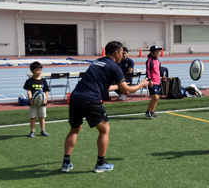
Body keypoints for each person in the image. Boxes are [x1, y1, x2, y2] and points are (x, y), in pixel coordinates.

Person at [61, 41, 148, 173]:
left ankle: (66, 163)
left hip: (75, 97)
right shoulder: (115, 67)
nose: (122, 56)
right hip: (90, 99)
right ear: (116, 53)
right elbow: (127, 91)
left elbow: (104, 86)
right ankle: (100, 164)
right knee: (104, 129)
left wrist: (120, 86)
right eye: (121, 53)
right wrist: (142, 84)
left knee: (74, 130)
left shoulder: (96, 62)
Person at [23, 61, 49, 138]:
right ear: (32, 71)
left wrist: (46, 99)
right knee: (33, 117)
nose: (39, 72)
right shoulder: (29, 81)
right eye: (37, 70)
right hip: (33, 103)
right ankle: (32, 131)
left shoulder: (43, 81)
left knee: (42, 117)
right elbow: (29, 91)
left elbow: (46, 91)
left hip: (42, 103)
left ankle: (43, 130)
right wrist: (31, 100)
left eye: (40, 70)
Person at [145, 45, 167, 119]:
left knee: (157, 98)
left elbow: (159, 69)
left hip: (158, 81)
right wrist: (150, 80)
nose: (158, 53)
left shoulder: (158, 60)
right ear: (151, 52)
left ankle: (152, 112)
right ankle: (147, 112)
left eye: (158, 51)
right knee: (154, 97)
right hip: (152, 82)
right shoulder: (149, 60)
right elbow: (148, 71)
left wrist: (162, 76)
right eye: (156, 51)